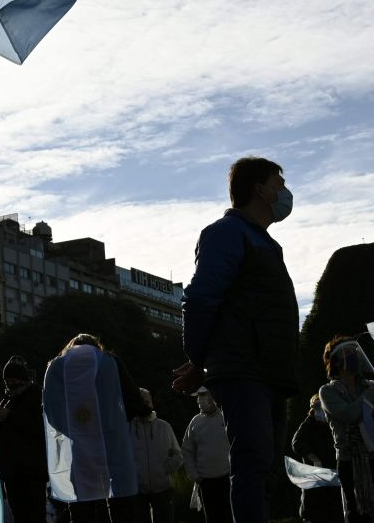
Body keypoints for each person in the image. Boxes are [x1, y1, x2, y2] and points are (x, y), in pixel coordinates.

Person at [173, 156, 301, 523]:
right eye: (279, 182)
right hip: (247, 370)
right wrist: (199, 358)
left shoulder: (264, 242)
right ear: (259, 189)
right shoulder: (227, 233)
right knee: (253, 463)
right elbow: (200, 298)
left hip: (269, 372)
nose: (284, 191)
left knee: (266, 468)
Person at [42, 334, 141, 523]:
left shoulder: (56, 367)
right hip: (113, 449)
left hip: (77, 453)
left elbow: (50, 411)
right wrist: (115, 423)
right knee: (120, 507)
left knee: (82, 509)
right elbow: (134, 401)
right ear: (98, 346)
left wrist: (76, 431)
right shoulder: (111, 362)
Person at [316, 338, 374, 523]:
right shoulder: (327, 392)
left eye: (355, 352)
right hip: (351, 462)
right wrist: (372, 394)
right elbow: (350, 414)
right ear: (336, 362)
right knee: (358, 513)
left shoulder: (370, 385)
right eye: (348, 353)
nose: (354, 356)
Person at [0, 357, 48, 523]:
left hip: (32, 470)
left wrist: (10, 416)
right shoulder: (6, 399)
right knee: (18, 514)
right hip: (11, 471)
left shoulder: (37, 395)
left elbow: (40, 428)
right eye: (6, 380)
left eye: (13, 379)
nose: (10, 383)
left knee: (35, 514)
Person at [127, 387, 183, 523]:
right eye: (141, 402)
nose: (144, 405)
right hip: (137, 491)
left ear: (152, 403)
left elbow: (178, 455)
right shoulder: (126, 428)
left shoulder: (164, 427)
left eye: (147, 401)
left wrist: (164, 469)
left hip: (163, 489)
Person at [290, 395, 343, 523]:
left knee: (336, 510)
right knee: (314, 509)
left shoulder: (334, 421)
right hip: (315, 475)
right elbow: (297, 443)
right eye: (316, 407)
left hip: (335, 473)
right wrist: (312, 457)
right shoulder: (309, 424)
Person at [180, 390, 230, 523]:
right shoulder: (195, 422)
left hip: (228, 478)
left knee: (230, 516)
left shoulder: (226, 416)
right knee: (212, 518)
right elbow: (187, 450)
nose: (204, 399)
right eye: (201, 396)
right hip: (206, 481)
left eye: (207, 394)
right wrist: (195, 475)